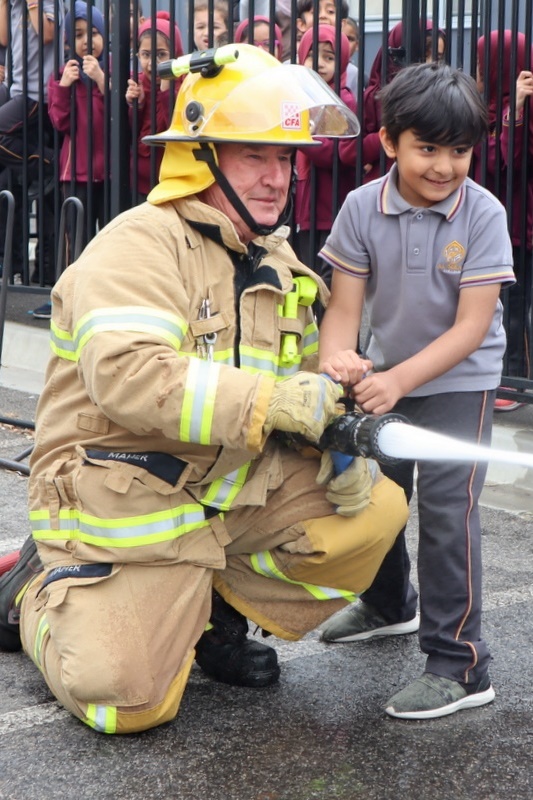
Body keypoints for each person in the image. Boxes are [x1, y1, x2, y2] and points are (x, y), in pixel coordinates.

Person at [0, 44, 408, 734]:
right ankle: (36, 592)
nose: (277, 178)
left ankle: (211, 616)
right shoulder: (139, 247)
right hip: (126, 495)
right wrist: (271, 403)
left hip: (225, 491)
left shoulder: (275, 261)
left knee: (373, 511)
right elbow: (129, 375)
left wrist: (334, 428)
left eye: (285, 159)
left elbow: (301, 376)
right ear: (200, 156)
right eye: (254, 156)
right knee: (126, 704)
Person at [317, 62, 515, 720]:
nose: (443, 166)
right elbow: (343, 308)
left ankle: (459, 663)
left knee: (444, 518)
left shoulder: (482, 213)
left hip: (461, 384)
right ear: (388, 142)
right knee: (373, 499)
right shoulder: (359, 208)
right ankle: (385, 604)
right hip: (386, 379)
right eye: (426, 148)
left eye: (458, 151)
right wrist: (337, 360)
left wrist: (395, 377)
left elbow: (471, 327)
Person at [475, 31, 533, 411]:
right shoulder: (483, 108)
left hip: (520, 223)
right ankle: (498, 376)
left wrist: (517, 113)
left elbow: (509, 162)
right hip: (490, 222)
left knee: (514, 306)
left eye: (482, 66)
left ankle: (513, 380)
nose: (478, 74)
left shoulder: (519, 107)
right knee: (492, 301)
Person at [294, 24, 356, 321]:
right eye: (312, 56)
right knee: (305, 281)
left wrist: (299, 134)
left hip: (332, 205)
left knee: (332, 286)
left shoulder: (344, 100)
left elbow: (334, 154)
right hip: (306, 206)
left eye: (329, 57)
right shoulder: (298, 98)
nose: (319, 63)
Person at [0, 0, 64, 287]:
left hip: (38, 94)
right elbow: (3, 37)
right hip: (18, 91)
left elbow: (48, 34)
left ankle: (49, 162)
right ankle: (43, 163)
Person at [48, 1, 107, 261]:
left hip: (109, 175)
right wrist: (63, 86)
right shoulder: (63, 75)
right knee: (77, 242)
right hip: (75, 174)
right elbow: (60, 123)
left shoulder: (112, 72)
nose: (87, 41)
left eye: (93, 33)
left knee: (109, 239)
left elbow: (124, 120)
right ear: (69, 42)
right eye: (79, 35)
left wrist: (101, 80)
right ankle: (74, 296)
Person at [361, 21, 446, 184]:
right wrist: (393, 135)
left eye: (437, 58)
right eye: (423, 55)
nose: (430, 64)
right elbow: (350, 151)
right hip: (384, 187)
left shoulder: (443, 96)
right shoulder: (374, 96)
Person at [126, 11, 184, 201]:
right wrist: (137, 104)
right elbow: (129, 133)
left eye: (161, 55)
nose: (153, 63)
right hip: (138, 182)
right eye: (146, 55)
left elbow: (174, 128)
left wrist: (167, 88)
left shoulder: (184, 84)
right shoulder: (137, 83)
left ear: (175, 54)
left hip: (170, 180)